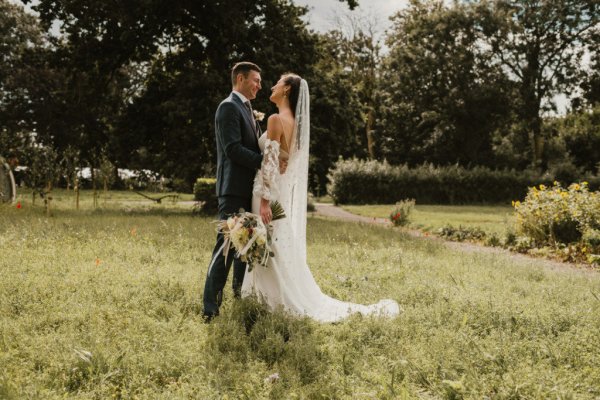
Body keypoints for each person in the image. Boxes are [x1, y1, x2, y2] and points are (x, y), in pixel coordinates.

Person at [242, 73, 400, 322]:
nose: (271, 86)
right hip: (278, 192)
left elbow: (271, 162)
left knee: (268, 242)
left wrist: (263, 201)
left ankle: (272, 299)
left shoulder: (274, 119)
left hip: (267, 192)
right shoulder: (294, 123)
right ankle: (269, 296)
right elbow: (284, 160)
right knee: (275, 243)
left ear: (286, 91)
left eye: (277, 83)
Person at [203, 61, 267, 321]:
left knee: (246, 246)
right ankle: (210, 309)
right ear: (240, 79)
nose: (260, 85)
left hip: (248, 190)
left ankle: (239, 296)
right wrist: (266, 162)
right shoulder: (228, 107)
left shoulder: (248, 109)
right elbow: (232, 149)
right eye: (256, 80)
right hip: (233, 189)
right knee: (226, 247)